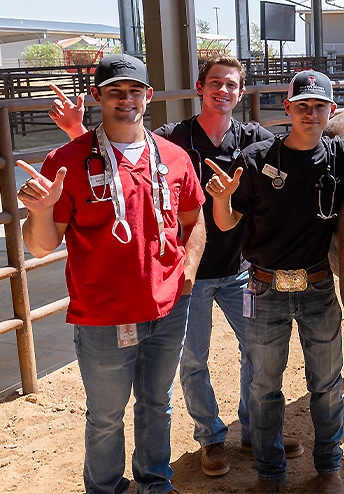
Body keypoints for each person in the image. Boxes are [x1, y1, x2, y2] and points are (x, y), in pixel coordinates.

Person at [48, 55, 304, 477]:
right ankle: (211, 437)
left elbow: (293, 154)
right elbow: (117, 156)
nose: (224, 91)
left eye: (232, 85)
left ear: (241, 93)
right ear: (200, 88)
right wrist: (78, 131)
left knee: (257, 351)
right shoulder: (175, 138)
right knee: (193, 359)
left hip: (241, 266)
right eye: (215, 83)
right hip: (190, 275)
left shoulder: (255, 138)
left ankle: (253, 427)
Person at [205, 69, 344, 494]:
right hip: (265, 288)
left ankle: (329, 469)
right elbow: (228, 223)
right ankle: (271, 473)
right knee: (265, 387)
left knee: (326, 385)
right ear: (287, 109)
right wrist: (221, 199)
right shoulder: (255, 159)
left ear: (331, 111)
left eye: (319, 106)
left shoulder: (341, 155)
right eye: (302, 105)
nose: (310, 113)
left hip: (318, 286)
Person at [17, 54, 207, 494]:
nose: (126, 99)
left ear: (149, 96)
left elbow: (194, 221)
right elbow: (42, 245)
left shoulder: (175, 158)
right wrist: (42, 212)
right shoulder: (69, 160)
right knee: (105, 416)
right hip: (103, 315)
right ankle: (105, 489)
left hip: (167, 309)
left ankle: (154, 483)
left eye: (134, 90)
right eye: (115, 91)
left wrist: (189, 271)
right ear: (98, 97)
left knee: (157, 405)